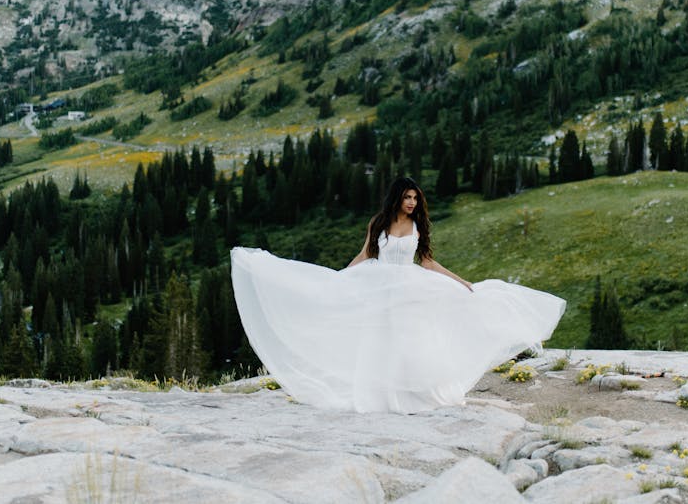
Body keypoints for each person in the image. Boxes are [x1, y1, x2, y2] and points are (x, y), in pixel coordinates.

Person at [230, 176, 565, 414]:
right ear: (396, 198)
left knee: (410, 340)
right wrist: (339, 278)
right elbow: (365, 256)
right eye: (407, 197)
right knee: (382, 340)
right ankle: (382, 395)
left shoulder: (418, 226)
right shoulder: (378, 223)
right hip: (379, 287)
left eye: (415, 198)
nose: (412, 203)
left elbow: (428, 261)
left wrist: (461, 282)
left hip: (410, 289)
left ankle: (415, 394)